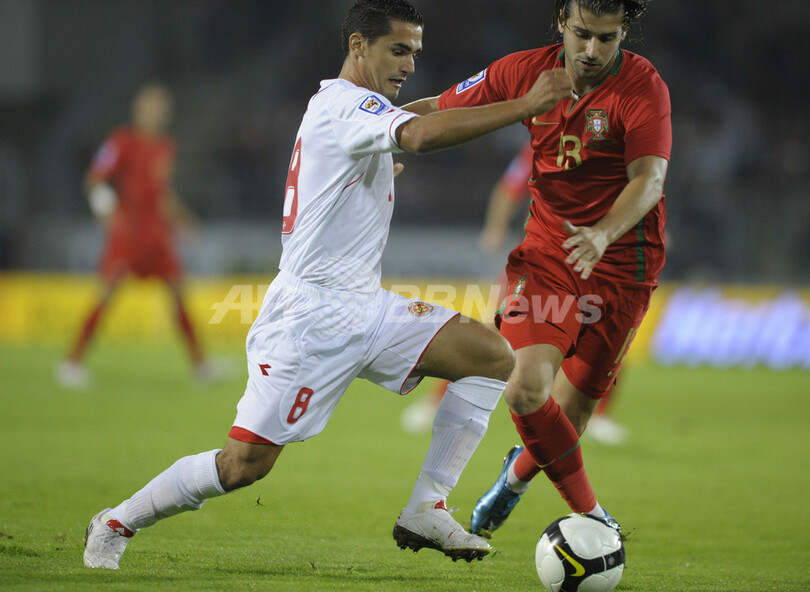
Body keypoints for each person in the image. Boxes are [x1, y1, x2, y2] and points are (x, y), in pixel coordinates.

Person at [83, 0, 583, 569]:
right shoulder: (345, 106)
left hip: (365, 306)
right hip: (308, 318)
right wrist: (525, 104)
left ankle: (426, 507)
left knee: (492, 355)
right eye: (398, 50)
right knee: (243, 465)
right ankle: (117, 521)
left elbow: (408, 122)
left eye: (415, 52)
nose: (410, 64)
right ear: (357, 46)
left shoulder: (353, 108)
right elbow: (418, 136)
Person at [404, 0, 670, 535]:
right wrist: (374, 137)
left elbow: (649, 180)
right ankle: (595, 518)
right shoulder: (524, 72)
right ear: (560, 25)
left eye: (607, 38)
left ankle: (515, 479)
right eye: (581, 35)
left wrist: (601, 233)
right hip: (548, 256)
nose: (592, 50)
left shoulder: (644, 87)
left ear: (623, 34)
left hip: (623, 265)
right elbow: (441, 106)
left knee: (568, 419)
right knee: (525, 389)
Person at [402, 139, 630, 446]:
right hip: (540, 264)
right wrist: (494, 229)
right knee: (497, 336)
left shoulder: (616, 148)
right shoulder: (544, 145)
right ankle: (436, 400)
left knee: (607, 338)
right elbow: (509, 187)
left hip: (594, 264)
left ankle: (599, 416)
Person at [56, 84, 212, 389]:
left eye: (161, 108)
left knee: (179, 294)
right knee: (105, 295)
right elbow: (94, 179)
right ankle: (71, 363)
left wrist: (186, 223)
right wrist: (106, 211)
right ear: (138, 110)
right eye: (151, 107)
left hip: (157, 236)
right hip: (128, 235)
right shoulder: (122, 141)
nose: (156, 113)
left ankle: (200, 365)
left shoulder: (165, 146)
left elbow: (163, 195)